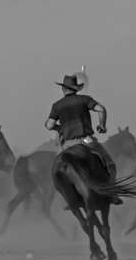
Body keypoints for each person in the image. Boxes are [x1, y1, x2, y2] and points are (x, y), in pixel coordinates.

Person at [45, 74, 122, 204]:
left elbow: (49, 125)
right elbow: (101, 109)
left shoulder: (56, 105)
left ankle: (69, 200)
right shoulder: (84, 99)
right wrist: (102, 126)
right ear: (76, 89)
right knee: (110, 165)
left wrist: (59, 128)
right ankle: (111, 195)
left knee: (58, 170)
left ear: (63, 89)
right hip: (87, 141)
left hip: (68, 145)